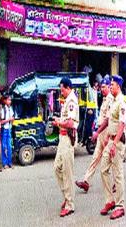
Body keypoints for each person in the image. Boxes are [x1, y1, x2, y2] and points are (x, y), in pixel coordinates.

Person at [76, 75, 113, 192]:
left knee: (110, 160)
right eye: (101, 87)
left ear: (108, 87)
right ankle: (86, 181)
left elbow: (107, 121)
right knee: (95, 157)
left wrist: (97, 132)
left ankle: (115, 183)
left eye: (104, 87)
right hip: (101, 132)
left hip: (107, 133)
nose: (101, 89)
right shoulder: (104, 99)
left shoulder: (111, 99)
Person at [99, 75, 126, 220]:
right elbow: (108, 120)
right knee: (103, 169)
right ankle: (110, 200)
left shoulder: (122, 102)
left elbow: (122, 125)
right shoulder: (113, 101)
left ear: (118, 86)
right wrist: (97, 132)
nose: (110, 87)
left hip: (117, 142)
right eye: (110, 85)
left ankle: (120, 206)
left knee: (117, 174)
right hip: (110, 140)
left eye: (112, 85)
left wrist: (114, 144)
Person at [52, 78, 79, 217]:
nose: (61, 91)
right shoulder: (67, 100)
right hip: (62, 139)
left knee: (67, 172)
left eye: (62, 89)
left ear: (68, 87)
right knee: (57, 168)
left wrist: (58, 122)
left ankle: (70, 204)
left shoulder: (72, 101)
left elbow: (70, 122)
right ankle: (67, 196)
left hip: (68, 139)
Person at [0, 94, 14, 169]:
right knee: (3, 146)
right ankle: (4, 163)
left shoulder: (10, 108)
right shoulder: (3, 109)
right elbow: (1, 121)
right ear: (5, 101)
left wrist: (12, 120)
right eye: (8, 100)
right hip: (4, 130)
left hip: (9, 129)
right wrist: (9, 120)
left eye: (10, 100)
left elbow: (12, 118)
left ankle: (9, 162)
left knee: (9, 146)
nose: (10, 101)